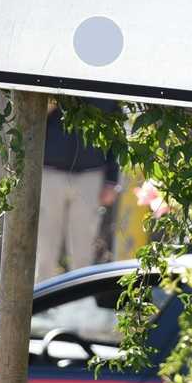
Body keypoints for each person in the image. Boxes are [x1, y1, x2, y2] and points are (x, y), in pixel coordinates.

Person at [36, 97, 121, 281]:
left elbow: (116, 134)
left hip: (91, 175)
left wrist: (111, 180)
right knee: (45, 243)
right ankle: (40, 304)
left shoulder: (107, 86)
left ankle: (79, 303)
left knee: (83, 246)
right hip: (51, 172)